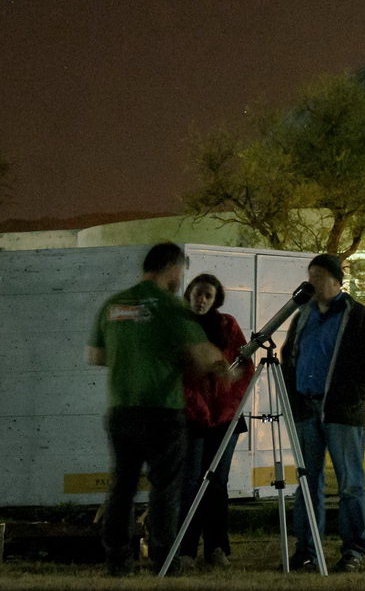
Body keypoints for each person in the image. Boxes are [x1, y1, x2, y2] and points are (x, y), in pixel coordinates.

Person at [87, 242, 235, 577]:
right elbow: (203, 355)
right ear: (172, 268)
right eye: (180, 272)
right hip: (162, 412)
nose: (181, 279)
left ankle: (117, 560)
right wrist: (224, 366)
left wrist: (133, 356)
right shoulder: (170, 307)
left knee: (122, 486)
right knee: (165, 488)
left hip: (122, 409)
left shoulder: (114, 304)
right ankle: (164, 559)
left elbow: (95, 356)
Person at [283, 253, 365, 573]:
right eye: (310, 275)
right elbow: (290, 357)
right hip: (306, 409)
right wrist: (291, 397)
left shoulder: (356, 315)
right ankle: (307, 549)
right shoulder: (302, 315)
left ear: (337, 281)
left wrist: (352, 398)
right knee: (307, 483)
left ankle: (354, 549)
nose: (312, 281)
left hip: (341, 413)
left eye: (319, 276)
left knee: (350, 484)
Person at [175, 273, 252, 571]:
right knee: (190, 484)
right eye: (198, 293)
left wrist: (226, 394)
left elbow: (243, 366)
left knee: (218, 484)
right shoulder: (181, 327)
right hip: (191, 418)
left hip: (224, 417)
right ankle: (185, 549)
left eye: (208, 295)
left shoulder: (227, 325)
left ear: (215, 298)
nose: (202, 299)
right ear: (189, 294)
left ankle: (217, 547)